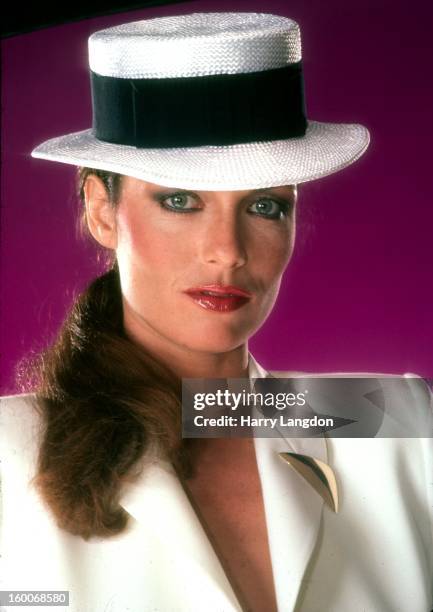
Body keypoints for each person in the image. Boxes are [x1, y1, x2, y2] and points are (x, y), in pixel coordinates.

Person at [1, 12, 432, 612]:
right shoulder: (9, 451)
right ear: (103, 210)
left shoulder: (395, 424)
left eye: (264, 206)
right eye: (179, 200)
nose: (227, 252)